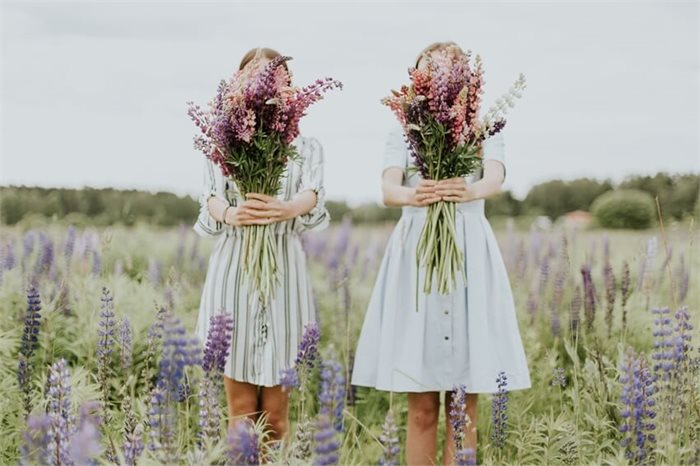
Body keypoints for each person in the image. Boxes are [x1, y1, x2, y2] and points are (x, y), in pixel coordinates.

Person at [351, 42, 531, 465]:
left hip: (469, 250)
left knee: (464, 404)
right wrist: (416, 195)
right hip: (418, 253)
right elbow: (388, 189)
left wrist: (467, 190)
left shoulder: (484, 125)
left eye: (448, 69)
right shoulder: (402, 128)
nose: (439, 77)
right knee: (422, 407)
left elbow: (496, 176)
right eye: (429, 70)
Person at [193, 47, 329, 443]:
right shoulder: (223, 145)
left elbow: (314, 194)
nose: (269, 85)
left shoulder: (307, 146)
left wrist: (286, 208)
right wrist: (231, 214)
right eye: (257, 77)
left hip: (284, 269)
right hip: (234, 269)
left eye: (279, 78)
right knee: (240, 414)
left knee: (276, 416)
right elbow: (209, 197)